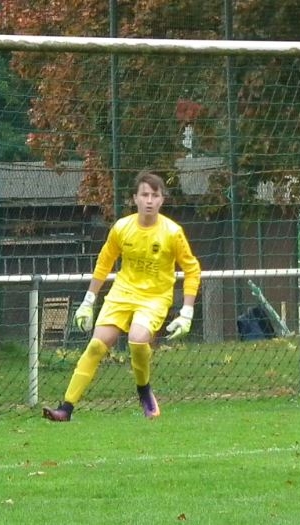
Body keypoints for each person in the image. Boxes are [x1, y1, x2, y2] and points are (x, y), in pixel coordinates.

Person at [43, 170, 201, 422]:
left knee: (137, 339)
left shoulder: (172, 232)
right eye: (144, 195)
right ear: (134, 198)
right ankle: (66, 408)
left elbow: (192, 269)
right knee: (96, 345)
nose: (149, 200)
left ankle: (144, 390)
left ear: (162, 200)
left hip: (155, 297)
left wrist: (187, 313)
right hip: (122, 293)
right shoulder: (122, 228)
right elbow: (104, 262)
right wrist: (88, 301)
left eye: (155, 195)